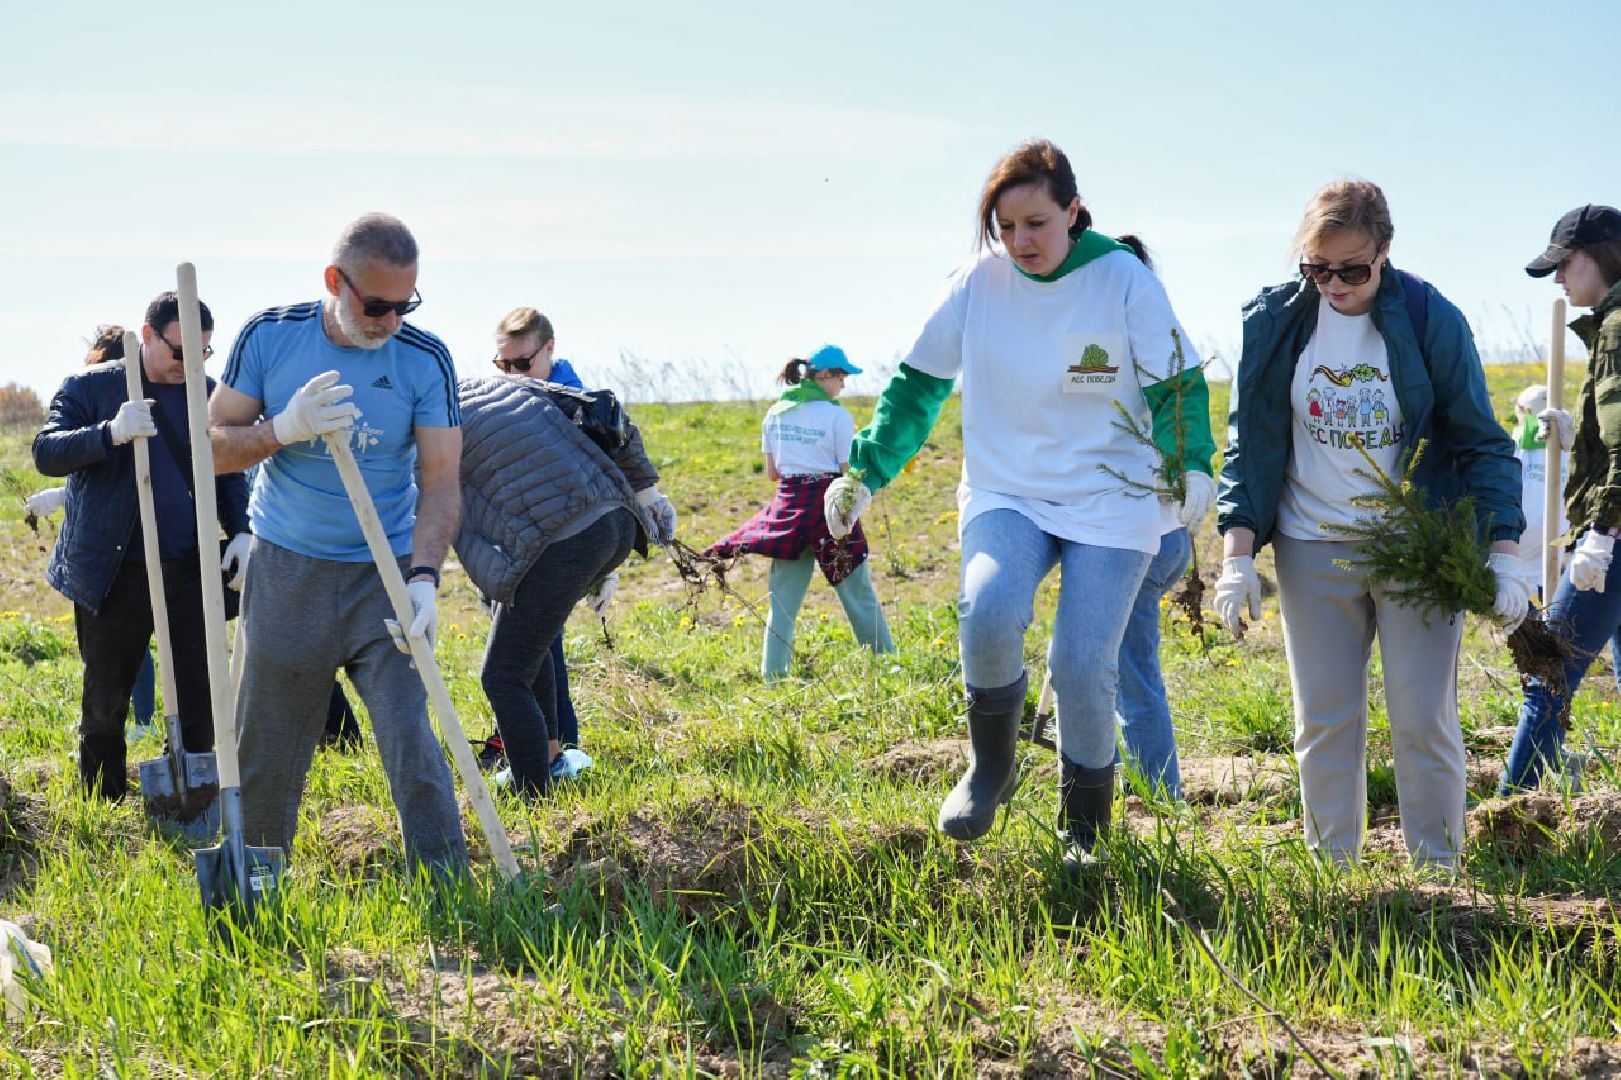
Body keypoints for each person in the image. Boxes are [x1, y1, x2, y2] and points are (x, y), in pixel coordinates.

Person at [824, 139, 1216, 865]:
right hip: (1010, 490)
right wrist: (864, 472)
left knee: (1079, 665)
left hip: (1112, 500)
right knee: (988, 608)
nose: (1019, 241)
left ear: (1072, 210)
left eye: (1035, 223)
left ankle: (1086, 830)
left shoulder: (1122, 280)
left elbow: (1176, 386)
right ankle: (991, 767)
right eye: (1005, 227)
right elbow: (917, 386)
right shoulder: (977, 283)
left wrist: (1191, 463)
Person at [1213, 179, 1528, 870]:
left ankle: (1438, 879)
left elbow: (1480, 439)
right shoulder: (1274, 321)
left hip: (1413, 549)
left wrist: (1505, 553)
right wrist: (1236, 554)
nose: (1333, 285)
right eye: (1315, 268)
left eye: (1351, 269)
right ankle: (1336, 878)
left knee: (1421, 721)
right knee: (1323, 723)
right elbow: (1250, 443)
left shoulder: (1426, 318)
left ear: (1383, 252)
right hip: (1309, 546)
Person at [209, 212, 467, 875]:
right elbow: (209, 450)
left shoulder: (423, 358)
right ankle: (256, 883)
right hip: (287, 569)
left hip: (383, 572)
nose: (388, 321)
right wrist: (282, 429)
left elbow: (440, 481)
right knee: (267, 747)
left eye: (403, 305)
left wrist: (424, 578)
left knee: (412, 736)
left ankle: (446, 883)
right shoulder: (270, 337)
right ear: (335, 281)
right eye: (376, 305)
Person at [32, 296, 250, 800]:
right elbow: (47, 452)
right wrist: (109, 433)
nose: (189, 368)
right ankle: (101, 799)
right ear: (148, 337)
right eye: (179, 353)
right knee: (107, 698)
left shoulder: (207, 394)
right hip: (114, 571)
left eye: (202, 356)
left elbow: (229, 468)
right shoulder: (93, 387)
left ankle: (194, 798)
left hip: (189, 566)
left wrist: (240, 529)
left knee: (198, 690)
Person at [456, 350, 676, 798]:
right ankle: (550, 758)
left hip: (564, 538)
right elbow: (607, 413)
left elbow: (433, 507)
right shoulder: (511, 388)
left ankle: (532, 792)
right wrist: (650, 496)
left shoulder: (434, 420)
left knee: (502, 674)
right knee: (526, 648)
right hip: (613, 521)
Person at [1499, 204, 1621, 793]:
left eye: (1563, 264)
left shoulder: (1619, 326)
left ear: (1598, 255)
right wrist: (1576, 441)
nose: (1557, 278)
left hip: (1613, 538)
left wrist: (1602, 530)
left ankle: (1509, 814)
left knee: (1548, 673)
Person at [704, 345, 896, 679]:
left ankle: (773, 676)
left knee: (782, 603)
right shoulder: (837, 416)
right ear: (824, 375)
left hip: (790, 511)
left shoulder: (775, 413)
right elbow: (847, 470)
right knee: (858, 594)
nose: (844, 384)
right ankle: (888, 666)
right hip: (828, 512)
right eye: (842, 376)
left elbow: (773, 473)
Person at [475, 308, 593, 776]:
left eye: (522, 364)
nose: (511, 374)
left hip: (556, 544)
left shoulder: (573, 402)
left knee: (533, 650)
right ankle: (541, 743)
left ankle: (550, 750)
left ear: (550, 349)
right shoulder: (515, 395)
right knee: (535, 648)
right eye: (502, 365)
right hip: (517, 544)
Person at [28, 327, 159, 731]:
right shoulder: (90, 392)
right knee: (104, 649)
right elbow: (87, 472)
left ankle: (143, 721)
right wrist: (59, 495)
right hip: (94, 551)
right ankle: (108, 725)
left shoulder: (148, 398)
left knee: (132, 646)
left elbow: (131, 482)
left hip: (139, 549)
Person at [1107, 239, 1200, 802]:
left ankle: (1161, 799)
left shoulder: (1101, 344)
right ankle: (1118, 777)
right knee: (1106, 661)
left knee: (1130, 670)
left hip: (1134, 535)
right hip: (1164, 534)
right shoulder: (1163, 335)